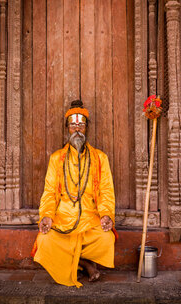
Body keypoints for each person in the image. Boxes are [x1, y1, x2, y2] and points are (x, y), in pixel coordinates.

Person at [31, 100, 116, 287]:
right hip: (62, 220)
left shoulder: (100, 158)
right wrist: (46, 216)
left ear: (87, 128)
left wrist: (106, 215)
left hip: (89, 219)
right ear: (67, 128)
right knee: (45, 241)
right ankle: (85, 263)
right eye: (73, 124)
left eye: (81, 124)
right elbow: (50, 192)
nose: (77, 128)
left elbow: (106, 191)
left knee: (106, 239)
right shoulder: (56, 159)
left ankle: (77, 262)